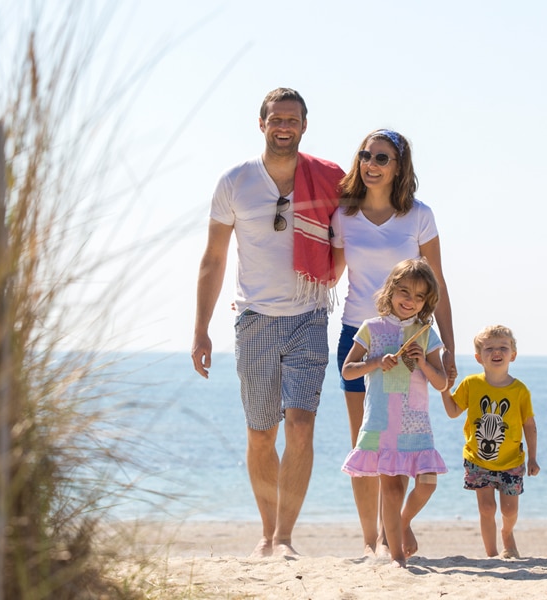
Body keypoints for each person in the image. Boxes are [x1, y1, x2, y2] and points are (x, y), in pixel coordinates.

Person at [191, 87, 344, 558]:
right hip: (255, 319)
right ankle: (265, 530)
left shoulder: (329, 180)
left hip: (310, 314)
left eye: (292, 119)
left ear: (304, 125)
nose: (284, 126)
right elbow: (214, 259)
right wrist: (201, 328)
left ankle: (284, 538)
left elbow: (364, 227)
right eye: (276, 119)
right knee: (261, 432)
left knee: (300, 427)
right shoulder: (235, 181)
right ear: (262, 124)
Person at [331, 128, 456, 556]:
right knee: (366, 442)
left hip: (412, 339)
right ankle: (373, 542)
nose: (371, 164)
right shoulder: (344, 215)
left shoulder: (419, 215)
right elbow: (327, 274)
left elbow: (437, 286)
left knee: (401, 443)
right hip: (359, 334)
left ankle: (393, 531)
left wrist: (449, 350)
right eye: (366, 155)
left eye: (382, 158)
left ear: (399, 166)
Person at [341, 258, 448, 567]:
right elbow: (348, 371)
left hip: (416, 425)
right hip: (381, 422)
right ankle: (398, 558)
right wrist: (375, 362)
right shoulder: (371, 328)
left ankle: (401, 523)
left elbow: (441, 383)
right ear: (390, 291)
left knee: (427, 483)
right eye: (404, 291)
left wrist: (424, 363)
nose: (410, 301)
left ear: (427, 302)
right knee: (389, 489)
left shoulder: (426, 333)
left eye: (418, 297)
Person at [441, 325, 540, 559]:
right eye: (490, 348)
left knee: (509, 510)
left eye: (503, 347)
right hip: (478, 460)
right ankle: (492, 555)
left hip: (511, 461)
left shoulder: (520, 390)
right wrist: (444, 389)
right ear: (479, 357)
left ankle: (507, 533)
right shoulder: (471, 384)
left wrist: (533, 457)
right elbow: (453, 411)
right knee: (487, 508)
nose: (497, 352)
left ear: (512, 355)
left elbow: (530, 425)